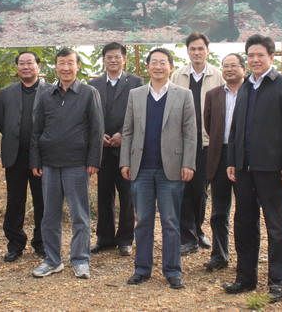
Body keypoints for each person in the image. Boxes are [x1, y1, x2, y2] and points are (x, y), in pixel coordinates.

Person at [224, 34, 282, 303]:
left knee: (276, 226)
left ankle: (278, 281)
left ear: (271, 56)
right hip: (244, 169)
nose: (255, 60)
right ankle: (245, 278)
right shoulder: (245, 86)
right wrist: (232, 160)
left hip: (272, 170)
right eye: (251, 55)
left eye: (260, 55)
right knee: (244, 223)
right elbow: (235, 128)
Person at [120, 47, 196, 289]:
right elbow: (128, 131)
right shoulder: (136, 95)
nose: (158, 66)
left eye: (163, 62)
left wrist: (188, 163)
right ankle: (142, 269)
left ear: (171, 67)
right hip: (141, 168)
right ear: (148, 67)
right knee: (142, 221)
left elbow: (190, 133)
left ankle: (172, 271)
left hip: (170, 169)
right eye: (154, 62)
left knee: (171, 222)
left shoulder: (183, 95)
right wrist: (125, 161)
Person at [30, 48, 103, 279]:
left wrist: (93, 160)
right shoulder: (46, 95)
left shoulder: (88, 93)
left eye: (70, 63)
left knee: (79, 215)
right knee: (50, 215)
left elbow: (97, 128)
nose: (66, 68)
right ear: (56, 66)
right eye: (61, 63)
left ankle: (80, 259)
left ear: (77, 66)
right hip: (50, 163)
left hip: (77, 163)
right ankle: (52, 260)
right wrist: (36, 160)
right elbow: (36, 129)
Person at [170, 32, 224, 255]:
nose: (197, 52)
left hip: (206, 142)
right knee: (183, 189)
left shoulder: (217, 75)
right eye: (192, 48)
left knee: (200, 190)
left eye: (201, 48)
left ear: (207, 50)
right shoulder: (178, 75)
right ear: (187, 51)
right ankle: (187, 237)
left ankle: (198, 230)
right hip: (182, 142)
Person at [88, 42, 143, 257]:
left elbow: (138, 113)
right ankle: (105, 239)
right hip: (102, 149)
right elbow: (90, 114)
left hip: (126, 148)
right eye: (109, 57)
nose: (113, 60)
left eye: (117, 57)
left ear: (124, 59)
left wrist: (123, 134)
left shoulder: (136, 82)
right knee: (104, 195)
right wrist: (98, 135)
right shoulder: (93, 84)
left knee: (127, 196)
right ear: (103, 60)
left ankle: (125, 239)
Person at [0, 51, 47, 262]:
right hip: (14, 156)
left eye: (30, 63)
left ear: (38, 66)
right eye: (21, 63)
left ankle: (42, 242)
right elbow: (0, 121)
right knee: (15, 201)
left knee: (43, 201)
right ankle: (15, 244)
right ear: (17, 67)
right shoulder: (6, 93)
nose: (25, 67)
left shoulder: (50, 91)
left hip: (42, 157)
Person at [202, 53, 246, 271]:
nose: (229, 69)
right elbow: (209, 124)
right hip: (220, 154)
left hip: (244, 156)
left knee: (245, 210)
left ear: (243, 69)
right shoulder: (213, 94)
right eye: (225, 66)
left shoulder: (251, 92)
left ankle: (245, 258)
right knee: (219, 211)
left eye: (234, 66)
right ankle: (220, 255)